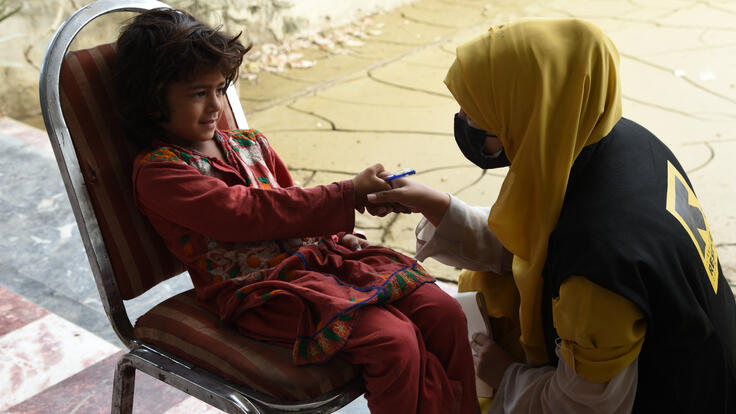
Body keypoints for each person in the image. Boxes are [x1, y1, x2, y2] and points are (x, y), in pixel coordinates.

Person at [113, 8, 479, 414]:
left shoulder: (249, 144)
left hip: (319, 264)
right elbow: (244, 214)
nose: (216, 106)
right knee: (393, 341)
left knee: (443, 312)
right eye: (198, 94)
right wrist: (346, 195)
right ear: (151, 100)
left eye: (220, 89)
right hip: (261, 292)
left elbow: (290, 199)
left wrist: (339, 236)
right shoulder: (160, 172)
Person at [367, 18, 736, 413]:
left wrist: (505, 375)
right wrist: (437, 206)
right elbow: (543, 237)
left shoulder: (596, 268)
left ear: (531, 112)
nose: (464, 123)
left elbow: (582, 405)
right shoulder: (614, 139)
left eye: (476, 112)